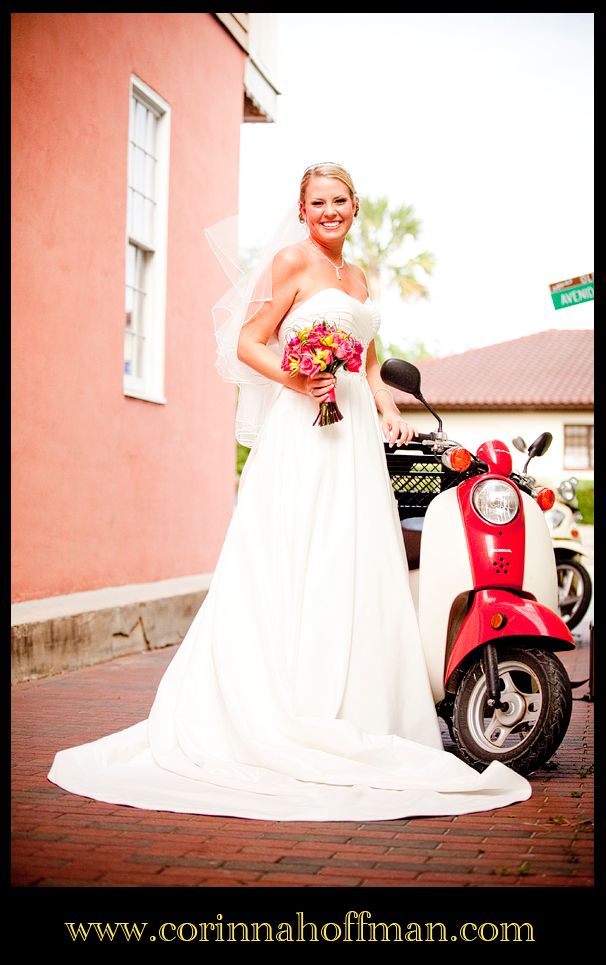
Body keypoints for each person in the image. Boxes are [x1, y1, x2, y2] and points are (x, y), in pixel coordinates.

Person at [48, 162, 531, 820]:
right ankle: (282, 705)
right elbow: (247, 341)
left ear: (354, 207)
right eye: (317, 202)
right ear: (303, 210)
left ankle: (359, 706)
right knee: (294, 553)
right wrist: (299, 380)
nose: (329, 210)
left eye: (339, 200)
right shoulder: (290, 262)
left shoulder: (356, 278)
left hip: (354, 431)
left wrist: (387, 408)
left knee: (352, 557)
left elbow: (361, 358)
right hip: (305, 429)